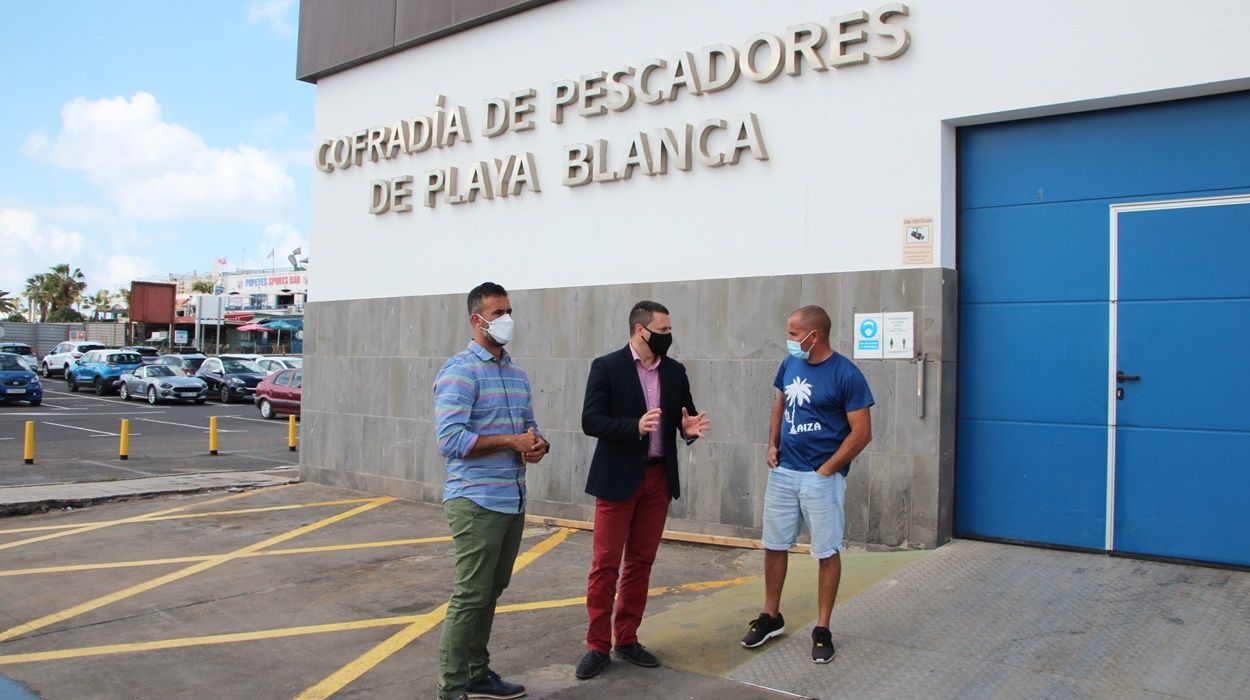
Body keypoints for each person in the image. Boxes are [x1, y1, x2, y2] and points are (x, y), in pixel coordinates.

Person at [575, 301, 711, 680]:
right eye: (663, 331)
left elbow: (686, 418)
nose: (669, 337)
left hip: (658, 479)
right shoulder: (607, 367)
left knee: (641, 563)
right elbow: (591, 421)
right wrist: (633, 427)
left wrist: (689, 430)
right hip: (618, 478)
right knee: (605, 564)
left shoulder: (675, 371)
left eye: (670, 330)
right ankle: (597, 646)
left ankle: (628, 638)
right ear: (640, 329)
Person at [433, 281, 550, 700]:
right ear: (476, 319)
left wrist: (537, 445)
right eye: (498, 313)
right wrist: (508, 442)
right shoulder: (460, 371)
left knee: (490, 591)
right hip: (475, 500)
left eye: (508, 311)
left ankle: (477, 672)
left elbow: (529, 429)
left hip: (511, 499)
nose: (507, 319)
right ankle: (451, 687)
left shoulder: (516, 375)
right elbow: (450, 440)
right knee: (470, 594)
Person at [741, 304, 873, 664]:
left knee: (826, 552)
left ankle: (823, 628)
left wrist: (827, 469)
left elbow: (862, 433)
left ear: (815, 336)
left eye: (795, 333)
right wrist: (772, 445)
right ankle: (771, 617)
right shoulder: (789, 365)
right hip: (783, 472)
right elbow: (780, 405)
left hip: (821, 478)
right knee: (774, 545)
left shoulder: (847, 374)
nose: (790, 340)